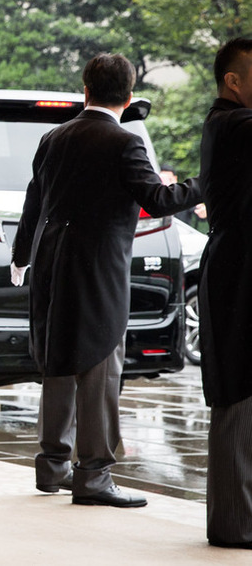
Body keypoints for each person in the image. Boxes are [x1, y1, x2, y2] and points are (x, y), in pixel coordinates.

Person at [10, 53, 201, 508]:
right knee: (98, 365)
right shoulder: (124, 141)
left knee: (58, 361)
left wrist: (21, 257)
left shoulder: (53, 138)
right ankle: (93, 475)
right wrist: (205, 183)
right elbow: (156, 200)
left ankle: (52, 466)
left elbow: (33, 205)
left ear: (85, 90)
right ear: (129, 97)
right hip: (98, 268)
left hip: (52, 260)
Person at [198, 36, 252, 549]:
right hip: (237, 273)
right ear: (233, 81)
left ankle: (238, 520)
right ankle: (237, 524)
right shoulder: (234, 125)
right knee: (239, 390)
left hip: (233, 266)